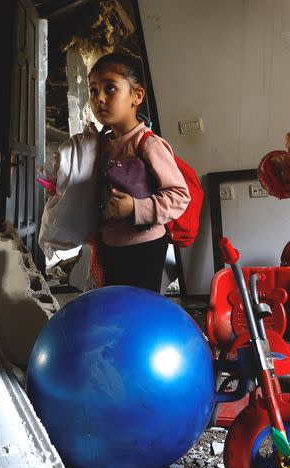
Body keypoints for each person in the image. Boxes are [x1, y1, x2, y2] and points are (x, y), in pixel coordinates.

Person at [87, 52, 190, 292]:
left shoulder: (148, 144)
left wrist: (135, 207)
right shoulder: (100, 144)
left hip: (144, 248)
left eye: (110, 89)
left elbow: (180, 196)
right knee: (114, 308)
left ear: (137, 96)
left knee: (139, 311)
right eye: (93, 91)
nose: (99, 98)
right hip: (108, 245)